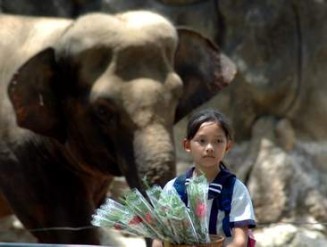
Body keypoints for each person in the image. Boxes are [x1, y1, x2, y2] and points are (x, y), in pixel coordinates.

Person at [152, 108, 256, 247]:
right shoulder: (174, 188)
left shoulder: (236, 189)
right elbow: (159, 239)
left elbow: (240, 241)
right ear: (187, 145)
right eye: (202, 140)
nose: (209, 147)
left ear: (228, 146)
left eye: (218, 141)